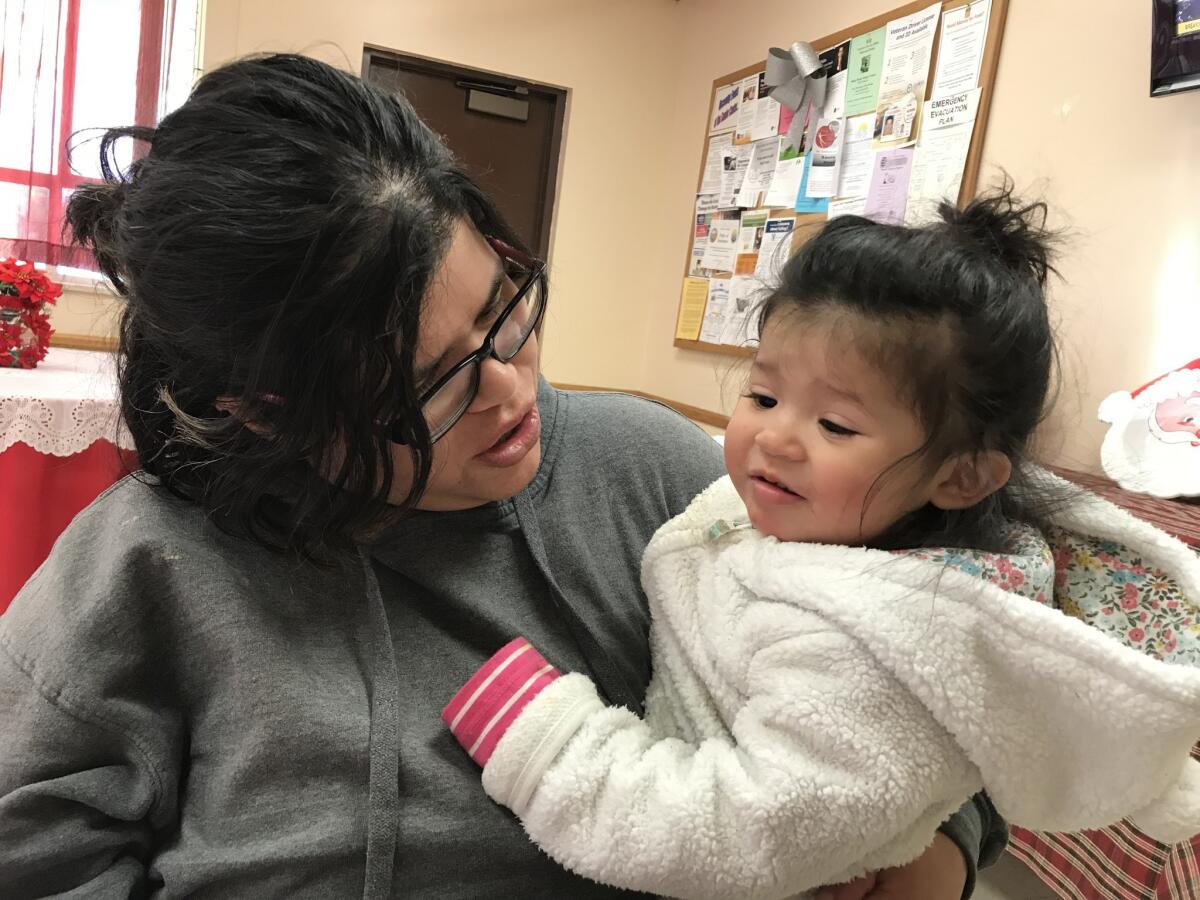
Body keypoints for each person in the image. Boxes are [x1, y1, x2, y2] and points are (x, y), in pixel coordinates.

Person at [0, 54, 1002, 898]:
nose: (508, 390)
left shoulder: (670, 483)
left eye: (502, 311)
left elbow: (927, 695)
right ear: (268, 412)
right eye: (427, 386)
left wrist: (932, 862)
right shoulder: (147, 565)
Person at [442, 191, 1200, 899]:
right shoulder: (794, 520)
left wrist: (552, 747)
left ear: (964, 477)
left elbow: (733, 831)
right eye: (763, 396)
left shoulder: (885, 646)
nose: (774, 436)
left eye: (834, 425)